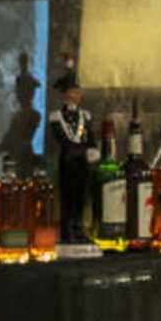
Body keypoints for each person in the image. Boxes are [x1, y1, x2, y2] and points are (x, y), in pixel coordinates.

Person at [47, 68, 96, 245]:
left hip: (82, 161)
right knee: (67, 197)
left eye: (78, 92)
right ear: (66, 94)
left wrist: (92, 149)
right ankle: (67, 232)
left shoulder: (85, 116)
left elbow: (91, 137)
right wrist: (77, 149)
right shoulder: (56, 117)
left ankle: (79, 228)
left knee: (81, 196)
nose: (77, 95)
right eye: (74, 92)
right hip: (67, 160)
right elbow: (61, 138)